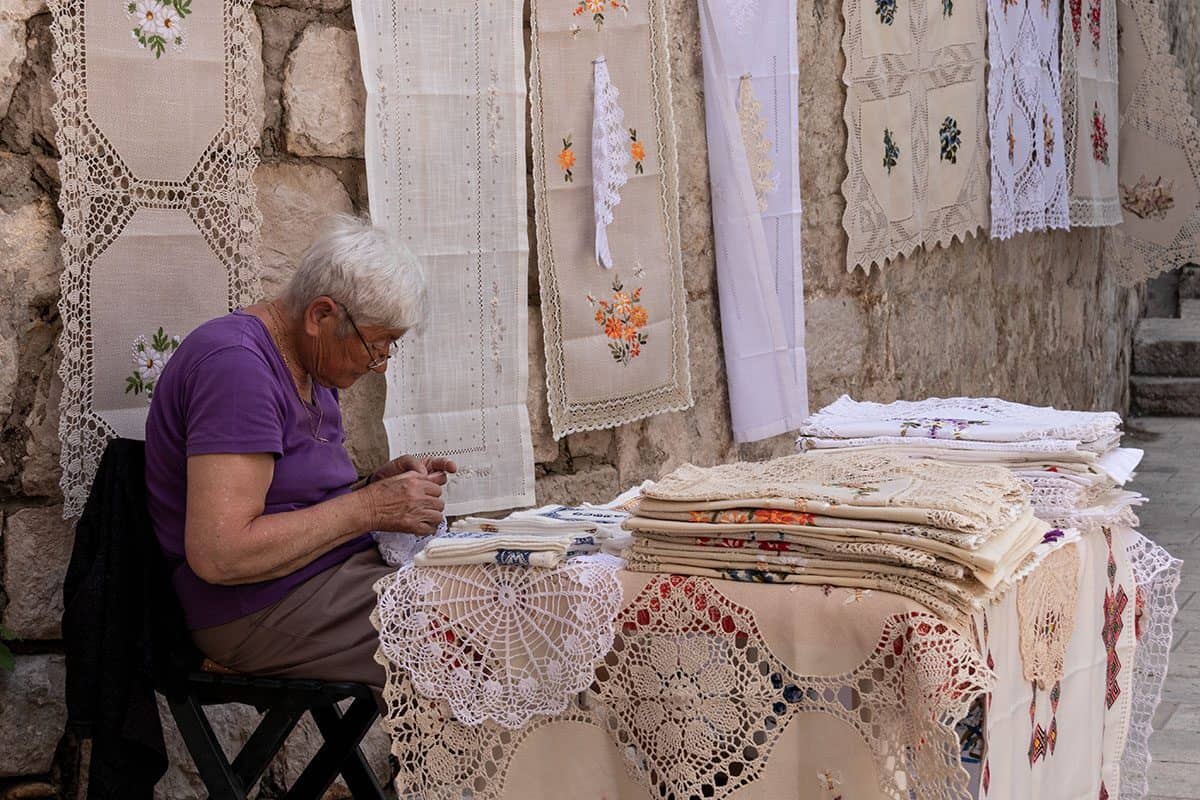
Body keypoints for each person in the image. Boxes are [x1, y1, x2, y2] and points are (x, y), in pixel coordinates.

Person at [145, 214, 452, 694]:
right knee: (475, 630)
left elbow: (295, 500)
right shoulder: (236, 369)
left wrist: (376, 488)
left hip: (319, 578)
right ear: (321, 315)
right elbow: (221, 553)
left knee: (504, 588)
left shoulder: (312, 363)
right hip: (257, 607)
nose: (379, 366)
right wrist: (371, 508)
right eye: (376, 346)